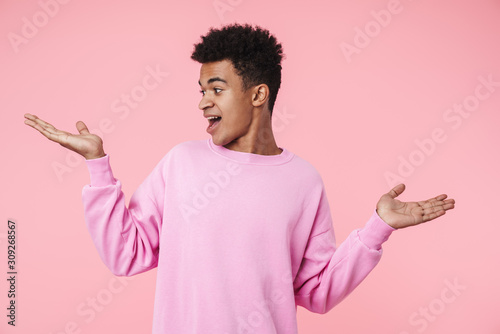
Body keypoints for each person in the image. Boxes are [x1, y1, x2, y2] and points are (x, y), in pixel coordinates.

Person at [24, 23, 455, 334]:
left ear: (258, 94)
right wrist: (98, 165)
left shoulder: (304, 182)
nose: (203, 103)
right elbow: (125, 256)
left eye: (216, 88)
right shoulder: (182, 162)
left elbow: (317, 293)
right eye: (201, 90)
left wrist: (377, 228)